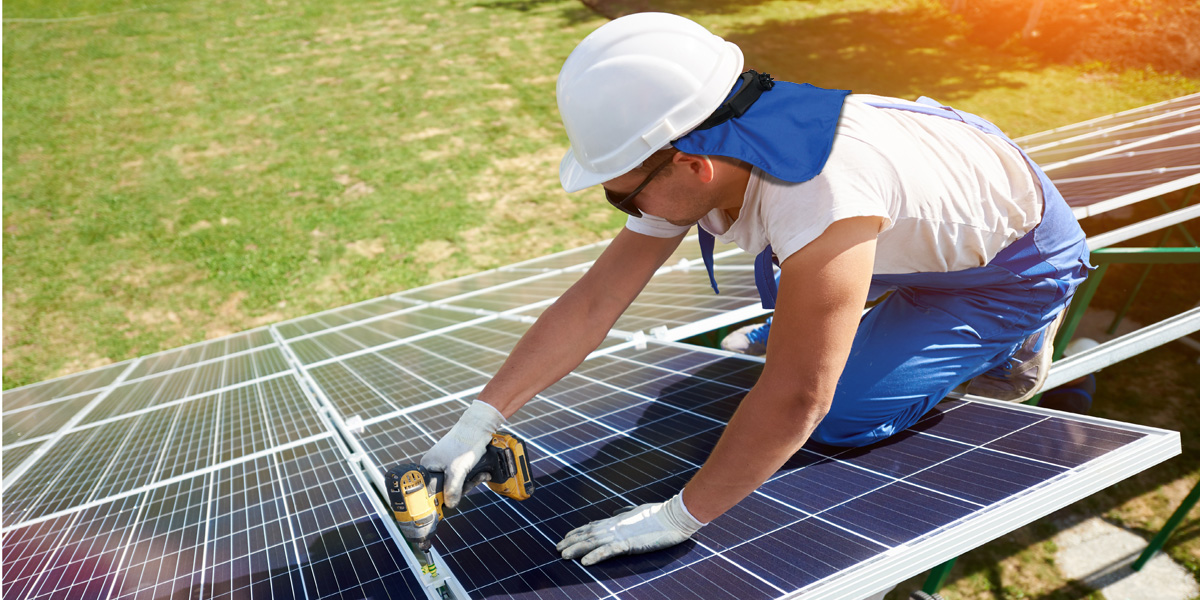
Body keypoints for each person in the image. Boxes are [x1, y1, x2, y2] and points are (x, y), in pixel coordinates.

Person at [420, 12, 1091, 568]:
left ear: (693, 165)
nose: (624, 209)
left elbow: (800, 395)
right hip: (930, 194)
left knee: (834, 411)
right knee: (809, 322)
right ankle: (848, 314)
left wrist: (682, 514)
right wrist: (480, 420)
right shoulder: (715, 136)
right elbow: (597, 299)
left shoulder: (820, 196)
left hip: (1011, 262)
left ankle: (1017, 336)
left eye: (622, 196)